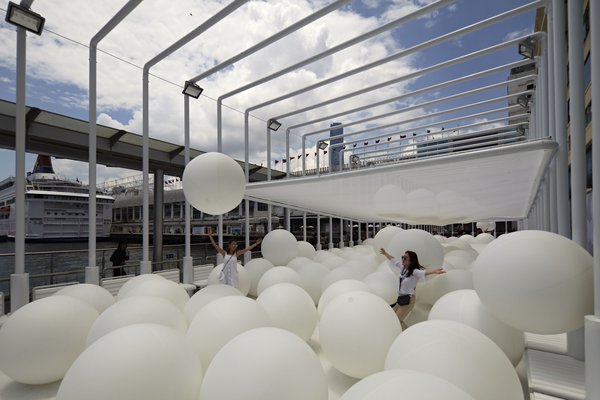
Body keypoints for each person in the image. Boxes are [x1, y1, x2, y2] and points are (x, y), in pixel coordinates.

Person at [380, 248, 445, 330]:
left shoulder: (414, 271)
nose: (403, 259)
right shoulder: (403, 268)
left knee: (396, 320)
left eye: (405, 258)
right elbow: (393, 260)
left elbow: (423, 272)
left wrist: (434, 271)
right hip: (401, 298)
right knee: (393, 318)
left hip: (408, 300)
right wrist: (385, 253)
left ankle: (408, 333)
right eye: (402, 257)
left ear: (411, 260)